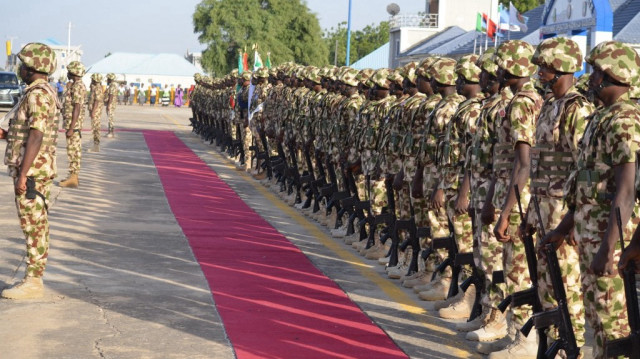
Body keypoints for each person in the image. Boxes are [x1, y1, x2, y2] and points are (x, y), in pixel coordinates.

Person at [543, 40, 640, 359]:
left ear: (615, 73)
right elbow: (586, 183)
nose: (592, 77)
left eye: (598, 70)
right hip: (589, 233)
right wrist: (562, 227)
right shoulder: (601, 117)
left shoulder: (626, 120)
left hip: (609, 238)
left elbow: (626, 190)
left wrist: (608, 248)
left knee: (613, 326)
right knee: (596, 321)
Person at [0, 43, 61, 299]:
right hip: (36, 168)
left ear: (33, 67)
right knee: (37, 224)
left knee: (33, 225)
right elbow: (28, 131)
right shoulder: (39, 91)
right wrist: (7, 134)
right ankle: (34, 277)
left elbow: (37, 134)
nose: (20, 68)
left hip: (33, 172)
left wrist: (23, 174)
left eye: (24, 64)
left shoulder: (38, 94)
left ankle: (33, 282)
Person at [59, 61, 86, 188]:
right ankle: (73, 176)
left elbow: (77, 107)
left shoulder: (78, 86)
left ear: (74, 72)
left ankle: (73, 177)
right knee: (72, 150)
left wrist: (71, 127)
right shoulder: (74, 85)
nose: (67, 73)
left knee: (73, 150)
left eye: (69, 71)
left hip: (73, 125)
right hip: (71, 123)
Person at [87, 73, 104, 152]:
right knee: (95, 128)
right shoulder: (96, 87)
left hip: (96, 111)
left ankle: (96, 146)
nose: (91, 80)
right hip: (96, 111)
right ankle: (95, 145)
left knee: (95, 128)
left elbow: (96, 101)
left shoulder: (97, 88)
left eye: (93, 79)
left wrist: (93, 111)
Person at [105, 73, 118, 137]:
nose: (107, 80)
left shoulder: (112, 86)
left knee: (110, 118)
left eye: (108, 78)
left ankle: (111, 132)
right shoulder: (112, 85)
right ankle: (110, 131)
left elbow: (111, 95)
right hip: (111, 104)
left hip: (111, 104)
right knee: (110, 118)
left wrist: (109, 105)